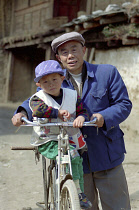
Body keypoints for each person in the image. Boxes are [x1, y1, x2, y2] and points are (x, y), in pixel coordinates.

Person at [12, 32, 132, 210]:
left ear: (84, 50)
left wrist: (103, 117)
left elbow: (123, 104)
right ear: (58, 58)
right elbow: (35, 100)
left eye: (74, 49)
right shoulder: (54, 79)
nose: (70, 55)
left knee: (117, 206)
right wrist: (21, 113)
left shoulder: (107, 73)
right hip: (73, 156)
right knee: (82, 205)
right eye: (64, 52)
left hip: (107, 154)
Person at [28, 59, 92, 209]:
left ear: (62, 78)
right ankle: (62, 184)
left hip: (69, 138)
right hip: (47, 140)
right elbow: (39, 111)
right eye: (45, 82)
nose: (51, 84)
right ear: (39, 85)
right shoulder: (38, 99)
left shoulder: (72, 95)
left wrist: (82, 117)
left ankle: (78, 192)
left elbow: (83, 110)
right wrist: (57, 112)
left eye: (54, 79)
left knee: (77, 160)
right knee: (70, 154)